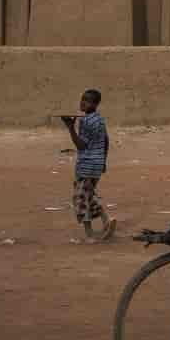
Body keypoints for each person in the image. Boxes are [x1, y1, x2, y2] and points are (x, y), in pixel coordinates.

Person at [61, 89, 115, 242]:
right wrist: (103, 161)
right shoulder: (100, 119)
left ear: (95, 104)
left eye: (87, 101)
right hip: (97, 165)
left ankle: (92, 231)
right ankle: (105, 222)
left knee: (81, 198)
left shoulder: (85, 121)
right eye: (82, 99)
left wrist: (70, 127)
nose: (83, 103)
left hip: (86, 165)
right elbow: (106, 140)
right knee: (87, 195)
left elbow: (81, 146)